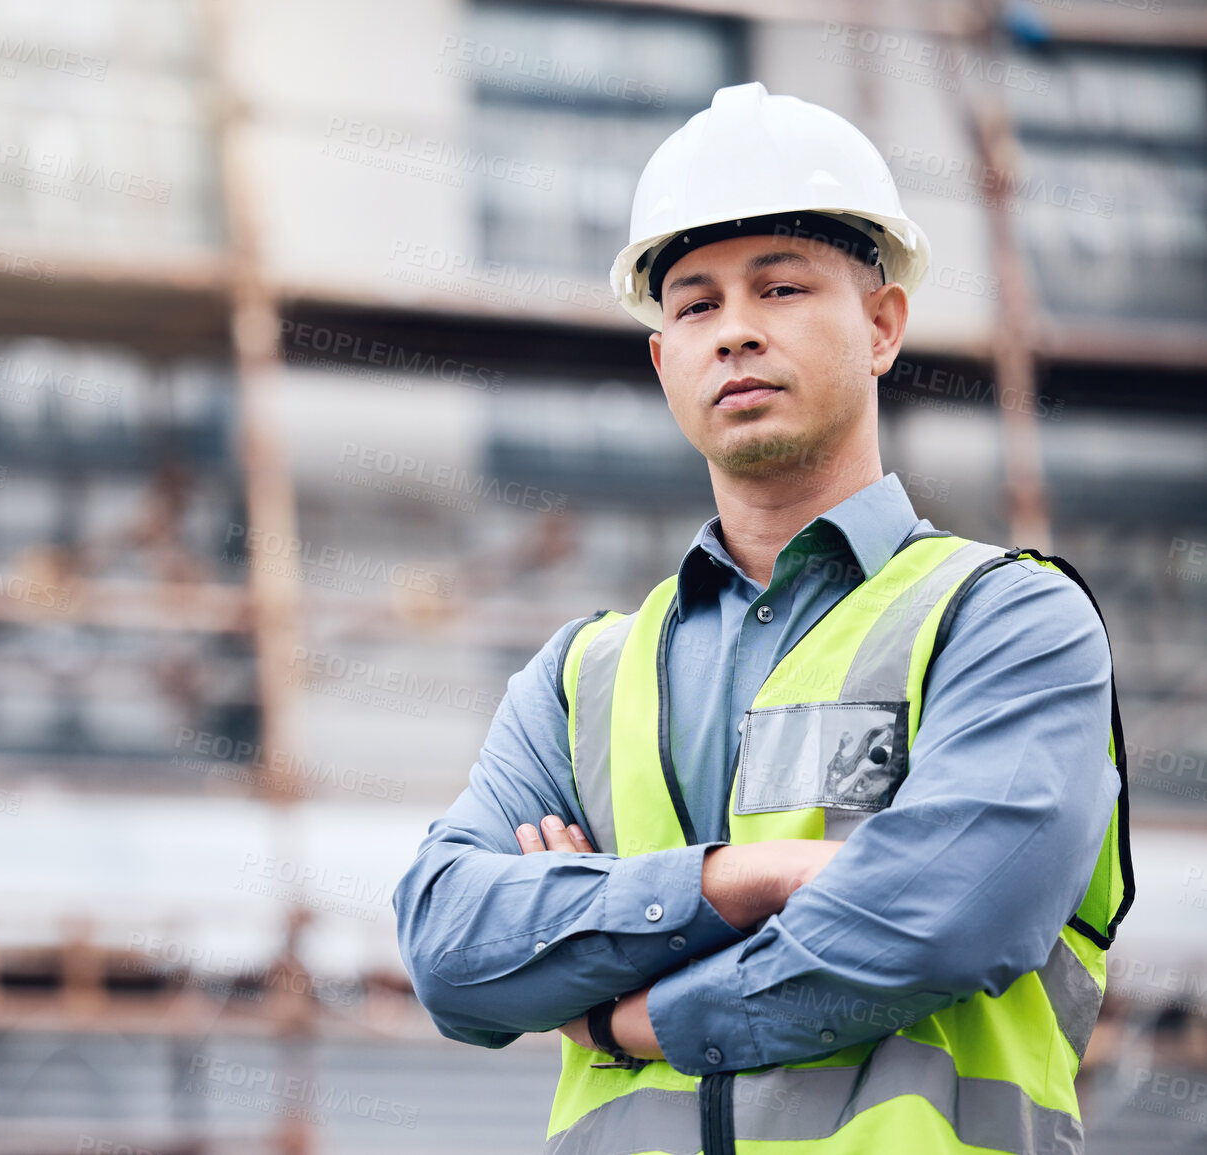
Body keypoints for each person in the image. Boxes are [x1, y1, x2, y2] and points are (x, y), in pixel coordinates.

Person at [391, 81, 1131, 1155]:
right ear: (663, 362)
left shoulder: (1006, 622)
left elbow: (947, 916)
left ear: (882, 326)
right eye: (694, 305)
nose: (733, 331)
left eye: (781, 288)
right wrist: (751, 877)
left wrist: (634, 1010)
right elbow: (452, 946)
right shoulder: (583, 676)